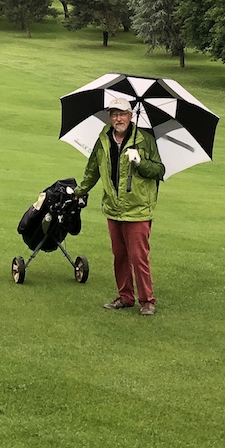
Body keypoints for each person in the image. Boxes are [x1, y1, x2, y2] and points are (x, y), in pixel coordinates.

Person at [77, 100, 165, 315]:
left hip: (138, 209)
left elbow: (159, 170)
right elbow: (92, 170)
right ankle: (125, 297)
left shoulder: (145, 140)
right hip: (113, 208)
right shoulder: (103, 139)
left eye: (123, 114)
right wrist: (79, 192)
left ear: (131, 116)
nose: (119, 118)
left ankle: (147, 301)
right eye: (115, 114)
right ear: (110, 117)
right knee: (120, 255)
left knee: (138, 257)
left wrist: (139, 162)